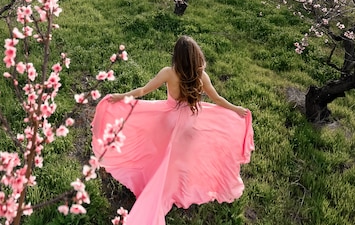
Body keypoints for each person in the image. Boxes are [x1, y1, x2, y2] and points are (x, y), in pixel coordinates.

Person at [91, 36, 254, 225]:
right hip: (190, 125)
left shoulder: (169, 73)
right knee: (179, 159)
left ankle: (156, 181)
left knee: (159, 153)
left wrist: (121, 96)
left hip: (168, 120)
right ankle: (176, 186)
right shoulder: (201, 76)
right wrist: (236, 109)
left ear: (177, 56)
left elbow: (143, 90)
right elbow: (217, 99)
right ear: (195, 57)